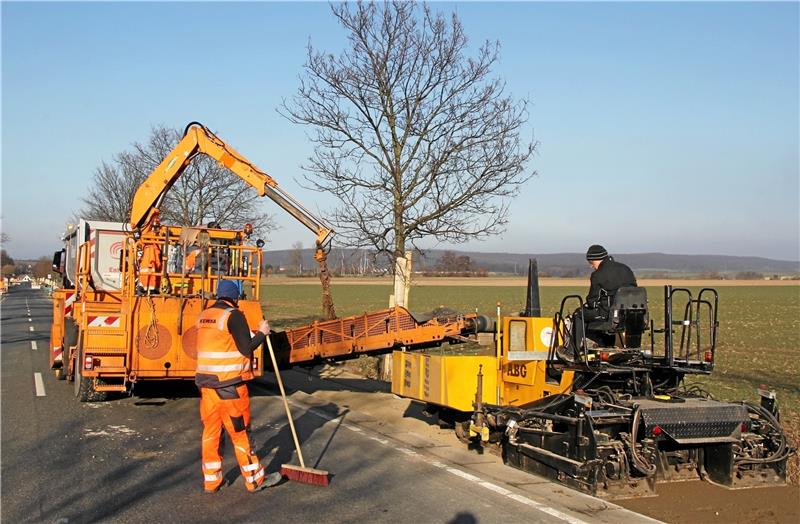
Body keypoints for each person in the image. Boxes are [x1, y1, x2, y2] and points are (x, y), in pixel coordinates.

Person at [195, 279, 281, 493]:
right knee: (240, 434)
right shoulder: (234, 315)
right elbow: (246, 347)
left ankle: (211, 481)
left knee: (211, 433)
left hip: (207, 387)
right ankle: (255, 480)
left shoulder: (205, 315)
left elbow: (222, 342)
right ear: (236, 297)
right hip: (230, 388)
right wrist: (262, 333)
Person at [557, 245, 637, 362]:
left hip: (610, 316)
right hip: (632, 315)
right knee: (606, 314)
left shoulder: (598, 275)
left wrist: (587, 305)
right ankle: (607, 346)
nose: (591, 266)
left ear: (595, 259)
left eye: (591, 262)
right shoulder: (626, 269)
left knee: (579, 315)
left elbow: (592, 301)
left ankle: (571, 352)